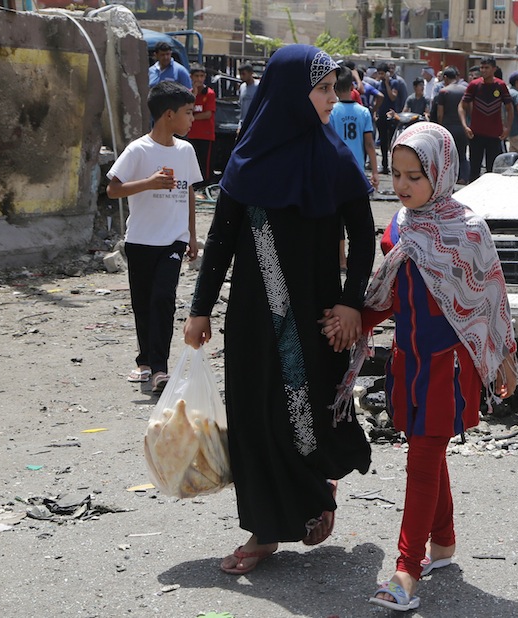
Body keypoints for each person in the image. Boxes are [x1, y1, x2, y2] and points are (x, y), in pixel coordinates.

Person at [183, 45, 375, 576]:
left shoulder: (336, 159)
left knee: (305, 415)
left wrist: (351, 303)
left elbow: (364, 238)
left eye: (333, 89)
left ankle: (314, 493)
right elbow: (221, 241)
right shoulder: (247, 159)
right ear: (291, 94)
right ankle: (264, 530)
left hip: (316, 320)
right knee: (254, 419)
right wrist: (200, 309)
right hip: (252, 318)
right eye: (322, 90)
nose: (332, 100)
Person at [323, 122, 518, 612]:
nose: (403, 185)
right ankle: (444, 543)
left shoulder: (467, 231)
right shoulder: (399, 227)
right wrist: (353, 320)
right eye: (397, 174)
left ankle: (407, 570)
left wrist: (503, 357)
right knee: (426, 451)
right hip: (406, 365)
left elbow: (488, 298)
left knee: (423, 460)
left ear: (442, 172)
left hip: (446, 370)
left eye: (415, 176)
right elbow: (391, 296)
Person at [106, 81, 201, 393]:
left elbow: (189, 192)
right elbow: (113, 189)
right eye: (188, 113)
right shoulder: (138, 150)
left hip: (173, 240)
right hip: (141, 240)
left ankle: (160, 368)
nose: (193, 119)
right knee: (143, 303)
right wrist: (148, 183)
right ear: (169, 114)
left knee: (163, 299)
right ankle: (144, 360)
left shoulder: (186, 151)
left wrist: (192, 235)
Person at [458, 56, 513, 182]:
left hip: (494, 135)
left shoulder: (501, 86)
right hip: (476, 134)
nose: (483, 70)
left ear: (494, 69)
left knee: (492, 171)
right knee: (474, 171)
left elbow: (510, 108)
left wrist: (508, 128)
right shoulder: (474, 85)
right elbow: (461, 106)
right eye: (482, 67)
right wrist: (465, 126)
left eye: (486, 67)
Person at [330, 66, 379, 189]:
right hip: (357, 165)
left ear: (334, 88)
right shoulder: (364, 112)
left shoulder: (331, 112)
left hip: (337, 166)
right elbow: (369, 144)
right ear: (352, 87)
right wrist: (375, 172)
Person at [436, 67, 469, 183]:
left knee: (447, 155)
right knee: (462, 154)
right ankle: (463, 177)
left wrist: (440, 126)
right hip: (462, 127)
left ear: (445, 77)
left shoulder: (443, 92)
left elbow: (440, 113)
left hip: (448, 127)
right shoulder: (465, 90)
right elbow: (469, 108)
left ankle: (449, 179)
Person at [186, 63, 216, 189]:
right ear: (191, 77)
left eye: (201, 76)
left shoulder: (209, 93)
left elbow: (208, 114)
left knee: (205, 162)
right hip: (192, 133)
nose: (199, 79)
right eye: (196, 76)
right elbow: (187, 109)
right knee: (194, 160)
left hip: (205, 133)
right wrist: (194, 94)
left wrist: (192, 117)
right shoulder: (188, 94)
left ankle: (205, 185)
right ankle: (195, 185)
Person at [375, 62, 400, 174]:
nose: (381, 76)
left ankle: (395, 165)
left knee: (391, 142)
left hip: (391, 116)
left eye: (382, 73)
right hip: (381, 116)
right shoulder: (378, 84)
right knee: (383, 142)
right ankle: (384, 165)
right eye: (379, 73)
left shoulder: (394, 83)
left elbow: (393, 97)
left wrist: (387, 83)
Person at [237, 63, 259, 133]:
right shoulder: (242, 87)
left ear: (250, 73)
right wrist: (239, 126)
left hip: (256, 123)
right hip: (244, 124)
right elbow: (242, 108)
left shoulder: (259, 86)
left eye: (243, 74)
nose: (241, 76)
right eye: (240, 74)